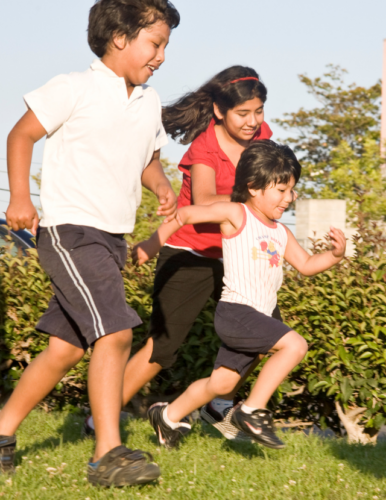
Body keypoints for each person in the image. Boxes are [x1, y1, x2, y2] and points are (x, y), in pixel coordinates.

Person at [0, 0, 180, 487]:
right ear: (119, 37)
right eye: (155, 43)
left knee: (65, 348)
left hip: (110, 237)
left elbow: (147, 159)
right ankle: (107, 454)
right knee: (116, 333)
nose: (162, 55)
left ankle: (1, 431)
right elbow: (21, 135)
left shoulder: (147, 100)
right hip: (69, 231)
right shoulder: (74, 87)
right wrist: (20, 196)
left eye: (166, 46)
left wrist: (161, 185)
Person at [84, 65, 285, 442]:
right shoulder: (204, 148)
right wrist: (255, 196)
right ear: (219, 112)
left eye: (258, 111)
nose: (253, 121)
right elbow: (205, 201)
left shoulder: (261, 138)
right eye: (243, 113)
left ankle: (217, 403)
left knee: (268, 336)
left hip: (237, 257)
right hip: (190, 252)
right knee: (162, 348)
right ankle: (100, 420)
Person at [132, 140, 346, 450]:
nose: (290, 198)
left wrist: (334, 255)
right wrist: (154, 243)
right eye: (282, 190)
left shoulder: (280, 231)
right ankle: (251, 411)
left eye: (292, 190)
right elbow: (186, 214)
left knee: (223, 383)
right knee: (295, 345)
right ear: (254, 187)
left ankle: (167, 415)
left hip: (257, 317)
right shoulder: (236, 213)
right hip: (236, 313)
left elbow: (308, 265)